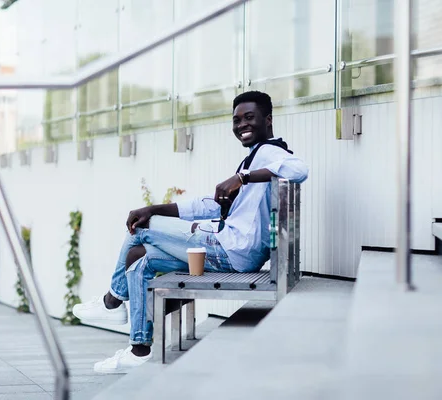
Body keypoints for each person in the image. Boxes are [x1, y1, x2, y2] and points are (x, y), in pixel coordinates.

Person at [73, 91, 309, 374]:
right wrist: (155, 207)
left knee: (141, 229)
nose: (241, 125)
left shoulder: (270, 154)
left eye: (249, 117)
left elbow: (299, 169)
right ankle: (139, 349)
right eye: (236, 120)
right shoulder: (255, 158)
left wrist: (241, 177)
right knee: (139, 257)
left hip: (231, 251)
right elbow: (208, 205)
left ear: (268, 120)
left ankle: (112, 302)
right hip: (229, 248)